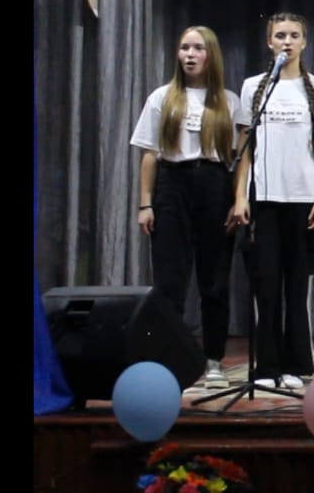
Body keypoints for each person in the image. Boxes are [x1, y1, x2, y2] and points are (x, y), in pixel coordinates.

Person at [227, 12, 314, 389]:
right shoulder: (253, 87)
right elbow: (245, 146)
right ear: (269, 42)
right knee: (266, 283)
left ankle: (295, 364)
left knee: (296, 285)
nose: (287, 42)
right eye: (280, 35)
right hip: (264, 200)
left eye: (294, 36)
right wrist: (240, 195)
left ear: (304, 43)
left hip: (302, 199)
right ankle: (266, 367)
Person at [129, 26, 243, 389]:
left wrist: (238, 199)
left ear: (211, 55)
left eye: (197, 48)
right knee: (169, 282)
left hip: (214, 185)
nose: (189, 55)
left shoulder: (228, 101)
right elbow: (150, 155)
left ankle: (213, 359)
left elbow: (240, 158)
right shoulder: (162, 97)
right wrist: (146, 203)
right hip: (172, 185)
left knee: (214, 282)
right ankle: (170, 359)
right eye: (184, 48)